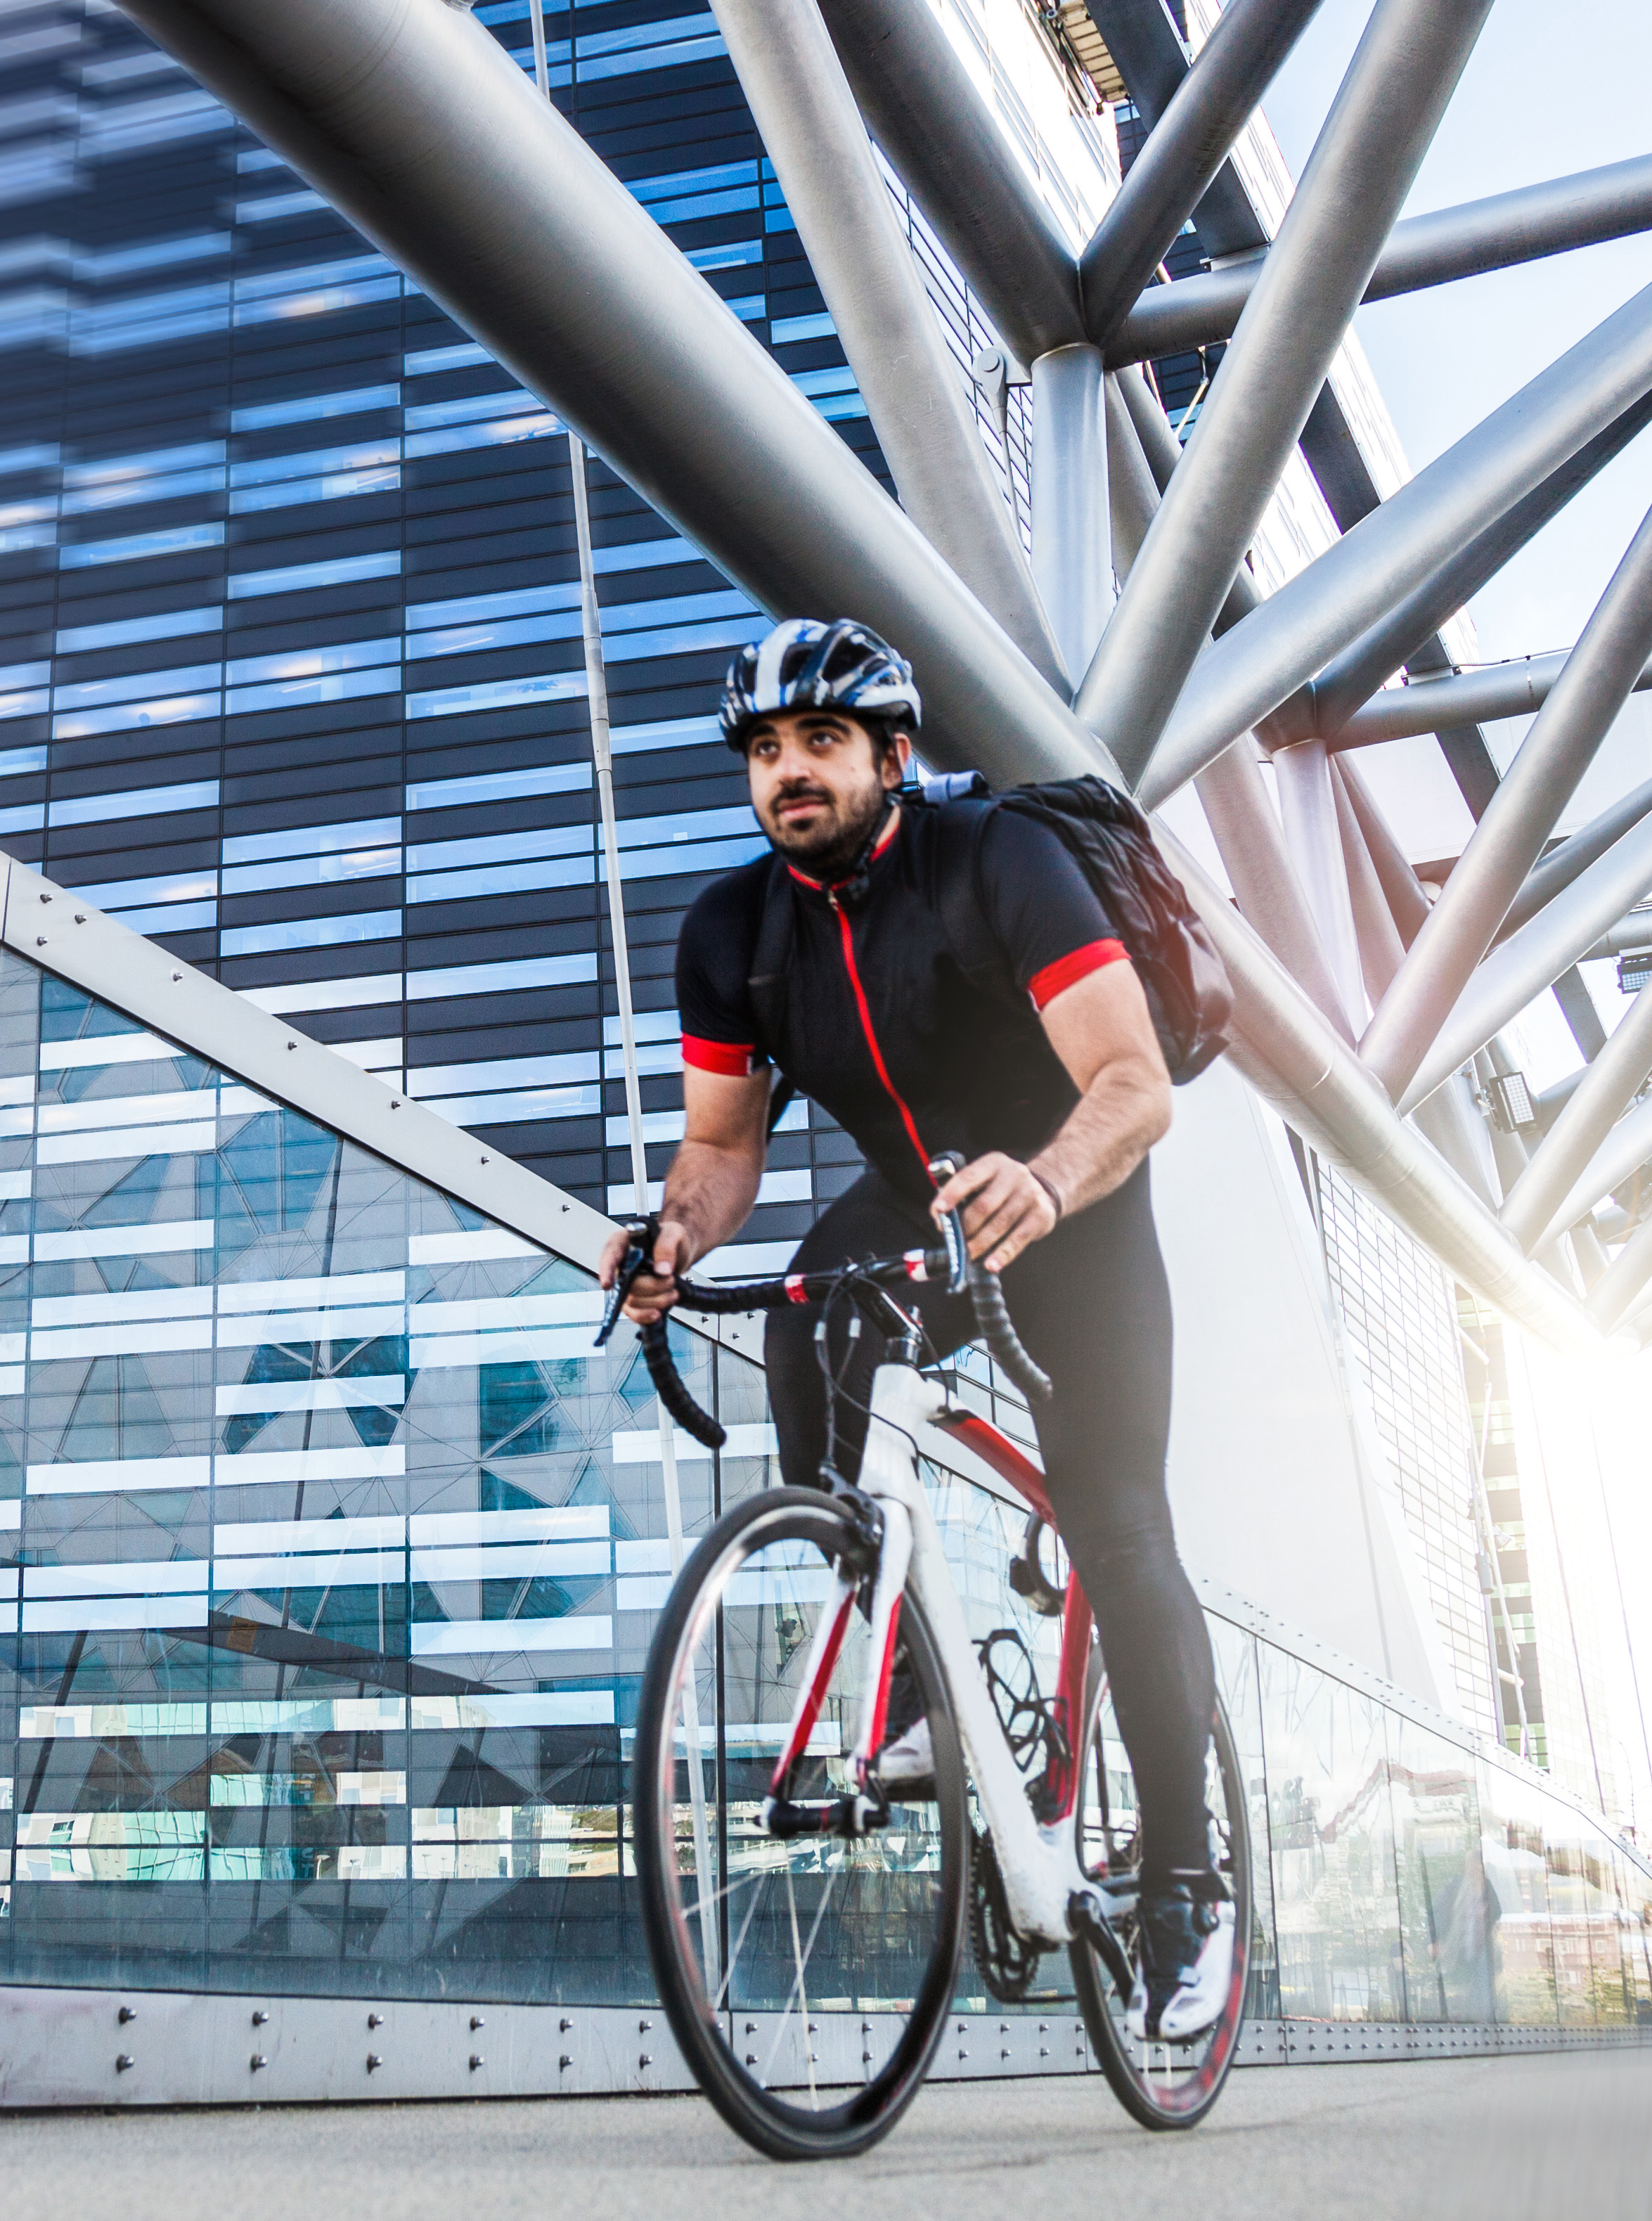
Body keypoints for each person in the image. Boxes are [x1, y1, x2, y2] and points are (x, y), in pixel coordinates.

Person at [602, 617, 1225, 2044]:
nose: (787, 774)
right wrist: (675, 1234)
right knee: (807, 1335)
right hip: (907, 1199)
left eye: (819, 741)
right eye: (764, 750)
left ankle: (1186, 1886)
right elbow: (722, 1145)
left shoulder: (1000, 859)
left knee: (1120, 1517)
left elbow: (1136, 1083)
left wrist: (1051, 1176)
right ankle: (891, 1673)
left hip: (1070, 1190)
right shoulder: (732, 932)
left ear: (891, 752)